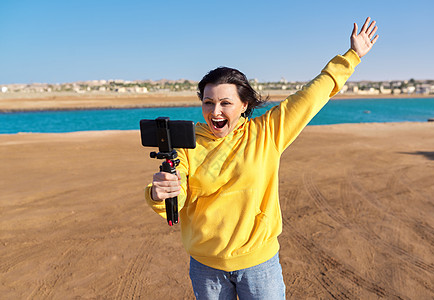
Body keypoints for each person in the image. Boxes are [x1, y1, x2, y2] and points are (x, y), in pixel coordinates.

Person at [145, 17, 379, 300]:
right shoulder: (188, 143)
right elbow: (178, 192)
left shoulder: (267, 132)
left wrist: (351, 57)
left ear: (244, 105)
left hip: (259, 265)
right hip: (207, 268)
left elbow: (310, 96)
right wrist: (161, 194)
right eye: (208, 103)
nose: (215, 111)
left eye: (225, 103)